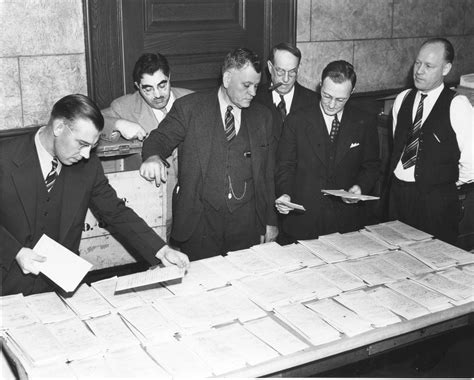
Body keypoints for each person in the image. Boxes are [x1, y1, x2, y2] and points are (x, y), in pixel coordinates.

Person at [0, 94, 189, 296]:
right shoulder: (5, 158)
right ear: (58, 128)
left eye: (92, 146)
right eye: (82, 143)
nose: (86, 154)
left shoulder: (87, 165)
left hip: (56, 287)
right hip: (5, 282)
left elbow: (116, 212)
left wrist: (161, 250)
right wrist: (16, 252)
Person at [140, 48, 278, 260]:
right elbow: (159, 139)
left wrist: (270, 221)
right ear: (227, 78)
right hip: (199, 225)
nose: (252, 92)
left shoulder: (263, 117)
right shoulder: (190, 109)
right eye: (246, 85)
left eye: (256, 86)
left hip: (246, 225)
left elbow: (267, 174)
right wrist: (152, 156)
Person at [275, 60, 380, 243]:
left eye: (340, 99)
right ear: (320, 85)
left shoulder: (364, 122)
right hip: (303, 221)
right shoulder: (296, 120)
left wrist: (360, 187)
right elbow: (285, 165)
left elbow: (371, 165)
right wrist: (284, 194)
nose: (331, 104)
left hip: (346, 223)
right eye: (326, 95)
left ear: (351, 93)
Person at [387, 37, 473, 244]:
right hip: (397, 197)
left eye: (428, 66)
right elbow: (397, 146)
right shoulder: (403, 99)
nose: (419, 71)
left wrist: (445, 185)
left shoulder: (458, 105)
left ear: (446, 69)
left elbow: (472, 161)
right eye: (418, 63)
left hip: (436, 205)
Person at [101, 53, 193, 240]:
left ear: (170, 77)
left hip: (193, 205)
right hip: (155, 205)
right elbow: (90, 120)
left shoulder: (192, 100)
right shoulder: (124, 106)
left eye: (162, 85)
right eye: (148, 89)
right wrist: (119, 124)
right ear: (137, 87)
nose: (157, 95)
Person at [254, 42, 317, 142]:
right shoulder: (254, 98)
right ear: (270, 67)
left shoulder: (314, 102)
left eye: (292, 72)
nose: (286, 79)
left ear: (298, 69)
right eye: (280, 71)